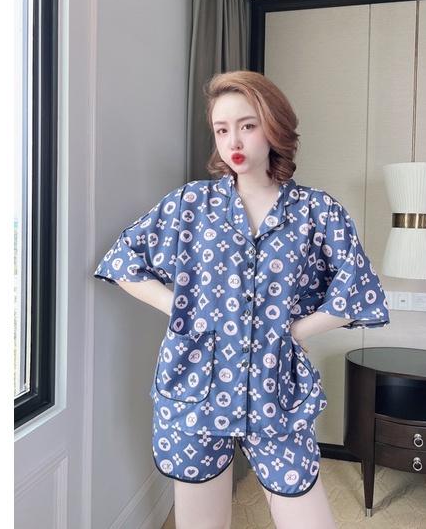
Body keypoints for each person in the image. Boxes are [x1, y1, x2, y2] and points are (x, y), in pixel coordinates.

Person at [93, 70, 390, 528]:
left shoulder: (317, 211)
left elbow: (358, 291)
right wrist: (182, 307)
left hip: (276, 388)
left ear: (274, 128)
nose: (233, 141)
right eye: (222, 129)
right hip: (195, 386)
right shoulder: (190, 204)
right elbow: (123, 261)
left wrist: (294, 330)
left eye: (247, 126)